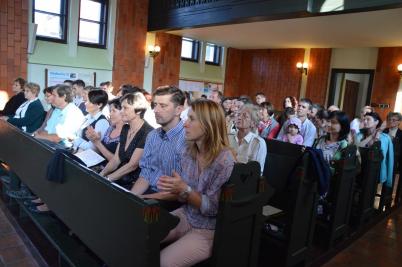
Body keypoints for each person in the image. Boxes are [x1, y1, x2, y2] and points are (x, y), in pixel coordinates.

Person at [157, 99, 236, 267]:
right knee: (140, 236)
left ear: (208, 124)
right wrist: (175, 190)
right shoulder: (188, 150)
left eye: (192, 119)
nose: (185, 124)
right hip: (186, 215)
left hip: (208, 230)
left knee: (161, 262)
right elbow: (182, 197)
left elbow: (212, 209)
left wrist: (183, 189)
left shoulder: (224, 159)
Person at [131, 86, 186, 195]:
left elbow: (185, 188)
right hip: (150, 193)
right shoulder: (152, 135)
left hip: (172, 199)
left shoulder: (187, 138)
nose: (155, 110)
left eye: (163, 106)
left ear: (178, 110)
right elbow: (145, 175)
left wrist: (146, 199)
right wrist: (132, 198)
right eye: (155, 105)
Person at [100, 93, 153, 189]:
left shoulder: (148, 132)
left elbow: (132, 165)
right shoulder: (125, 128)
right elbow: (116, 159)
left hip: (137, 183)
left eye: (125, 108)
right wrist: (101, 174)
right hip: (122, 178)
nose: (121, 112)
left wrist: (107, 179)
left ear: (139, 110)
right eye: (121, 108)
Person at [356, 112, 394, 188]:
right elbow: (357, 147)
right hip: (358, 168)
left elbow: (383, 156)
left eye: (368, 119)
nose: (365, 121)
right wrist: (372, 136)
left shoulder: (385, 137)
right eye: (364, 119)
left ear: (376, 122)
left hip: (374, 170)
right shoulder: (359, 134)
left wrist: (377, 134)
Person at [229, 104, 267, 174]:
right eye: (238, 114)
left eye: (245, 116)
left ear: (253, 123)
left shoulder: (258, 142)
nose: (239, 118)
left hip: (243, 180)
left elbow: (256, 172)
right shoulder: (228, 137)